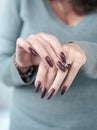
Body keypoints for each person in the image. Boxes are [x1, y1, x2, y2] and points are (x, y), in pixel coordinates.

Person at [0, 0, 97, 129]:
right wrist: (22, 65)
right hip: (28, 124)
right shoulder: (20, 2)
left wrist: (88, 54)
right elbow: (2, 68)